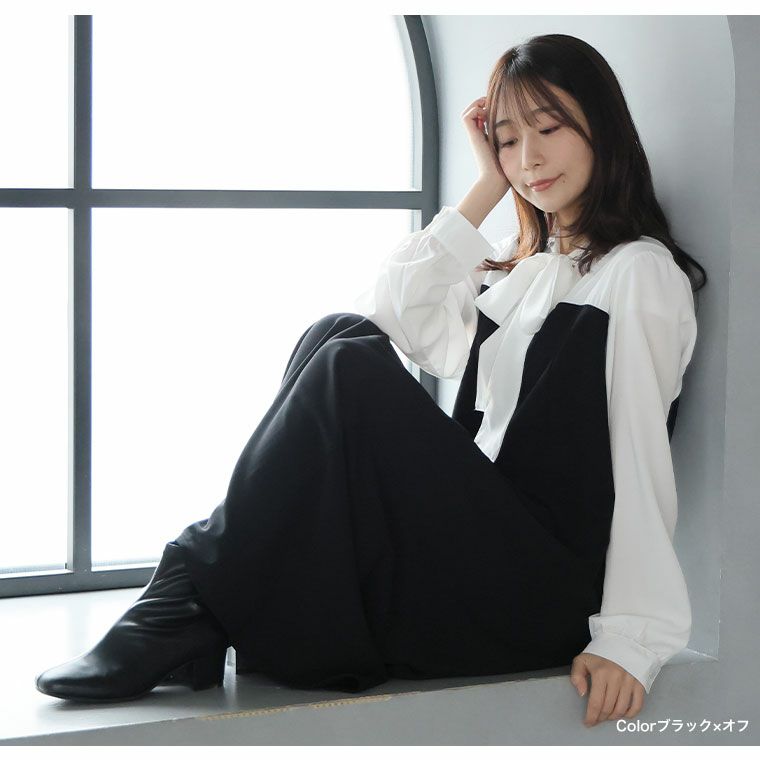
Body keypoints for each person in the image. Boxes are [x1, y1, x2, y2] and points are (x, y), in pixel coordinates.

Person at [35, 33, 706, 728]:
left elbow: (641, 456)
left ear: (602, 126)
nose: (528, 159)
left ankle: (184, 604)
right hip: (477, 547)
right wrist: (486, 188)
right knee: (338, 333)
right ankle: (189, 604)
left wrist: (632, 639)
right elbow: (395, 313)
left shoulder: (638, 274)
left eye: (549, 129)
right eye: (508, 141)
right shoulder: (517, 261)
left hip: (538, 590)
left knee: (348, 366)